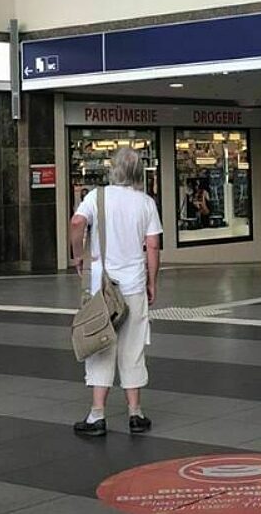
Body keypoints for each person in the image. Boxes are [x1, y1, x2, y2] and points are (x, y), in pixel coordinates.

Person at [69, 147, 163, 437]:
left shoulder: (96, 197)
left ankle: (97, 415)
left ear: (113, 169)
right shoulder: (146, 203)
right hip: (133, 285)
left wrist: (78, 254)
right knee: (133, 348)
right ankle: (135, 413)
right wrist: (152, 281)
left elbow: (76, 223)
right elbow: (153, 246)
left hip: (103, 287)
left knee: (101, 347)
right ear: (137, 173)